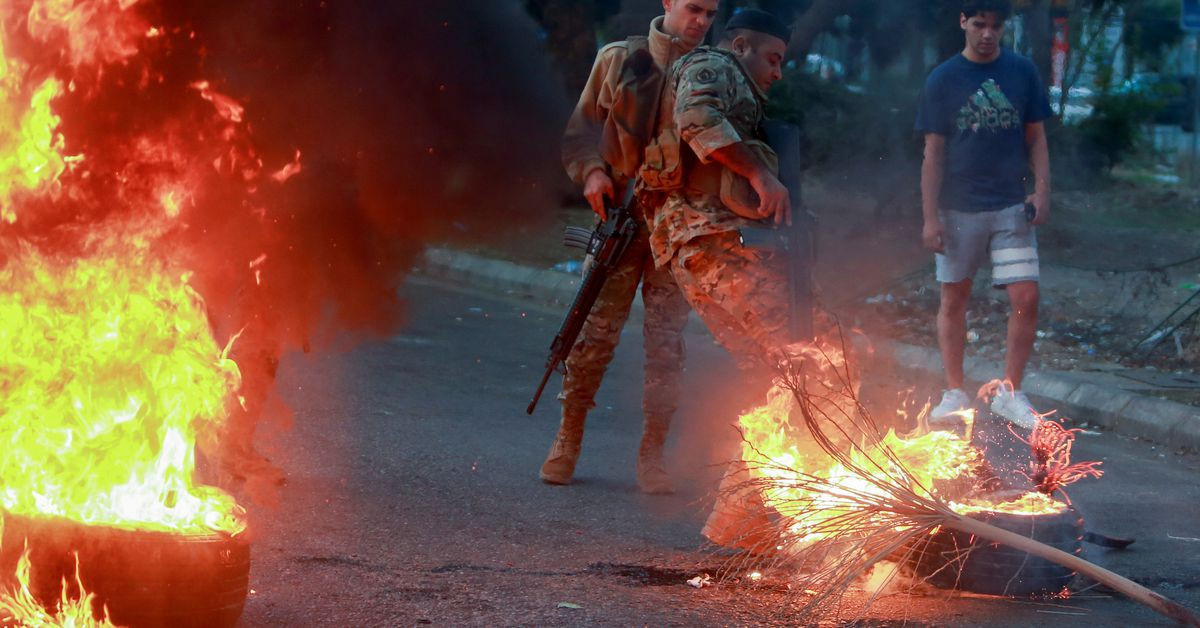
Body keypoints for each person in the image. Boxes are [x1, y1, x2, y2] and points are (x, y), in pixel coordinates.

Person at [541, 0, 720, 494]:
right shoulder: (620, 59)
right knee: (591, 336)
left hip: (676, 228)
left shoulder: (714, 71)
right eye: (694, 8)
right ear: (668, 3)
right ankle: (568, 437)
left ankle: (652, 454)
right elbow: (579, 132)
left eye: (711, 12)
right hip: (619, 219)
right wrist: (592, 172)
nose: (701, 21)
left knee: (666, 348)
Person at [642, 8, 794, 550]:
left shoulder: (743, 86)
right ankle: (744, 519)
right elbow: (697, 117)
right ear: (742, 45)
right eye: (772, 58)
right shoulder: (714, 63)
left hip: (704, 247)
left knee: (771, 373)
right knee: (806, 357)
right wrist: (760, 174)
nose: (777, 72)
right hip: (708, 240)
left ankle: (741, 522)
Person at [915, 0, 1052, 429]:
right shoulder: (943, 79)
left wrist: (1043, 191)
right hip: (958, 209)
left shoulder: (1021, 72)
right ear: (963, 23)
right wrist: (930, 216)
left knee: (1025, 298)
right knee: (955, 297)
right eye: (979, 24)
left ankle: (1011, 391)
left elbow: (1036, 137)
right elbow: (933, 154)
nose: (988, 33)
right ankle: (955, 391)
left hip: (1011, 205)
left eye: (995, 26)